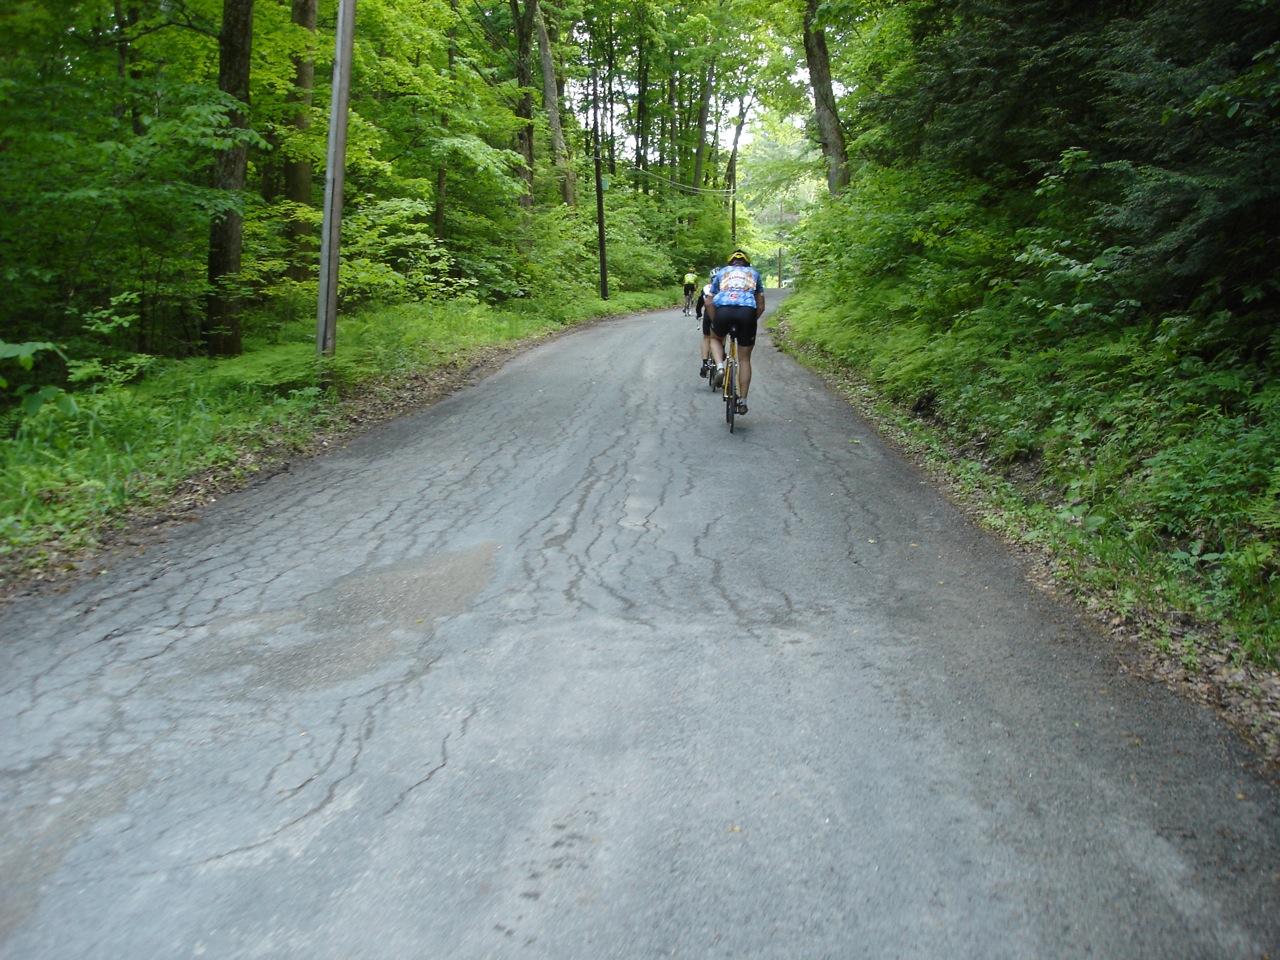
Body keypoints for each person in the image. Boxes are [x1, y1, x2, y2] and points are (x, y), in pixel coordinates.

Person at [708, 250, 765, 414]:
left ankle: (720, 367)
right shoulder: (754, 273)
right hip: (747, 312)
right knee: (744, 359)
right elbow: (761, 306)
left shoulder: (722, 273)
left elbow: (709, 302)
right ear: (747, 263)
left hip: (723, 311)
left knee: (715, 339)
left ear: (730, 262)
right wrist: (751, 321)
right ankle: (743, 401)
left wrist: (715, 321)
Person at [696, 272, 716, 378]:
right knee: (720, 337)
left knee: (706, 338)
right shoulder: (726, 288)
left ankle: (704, 363)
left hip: (708, 314)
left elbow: (699, 304)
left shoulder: (706, 288)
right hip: (721, 314)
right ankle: (721, 353)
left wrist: (698, 314)